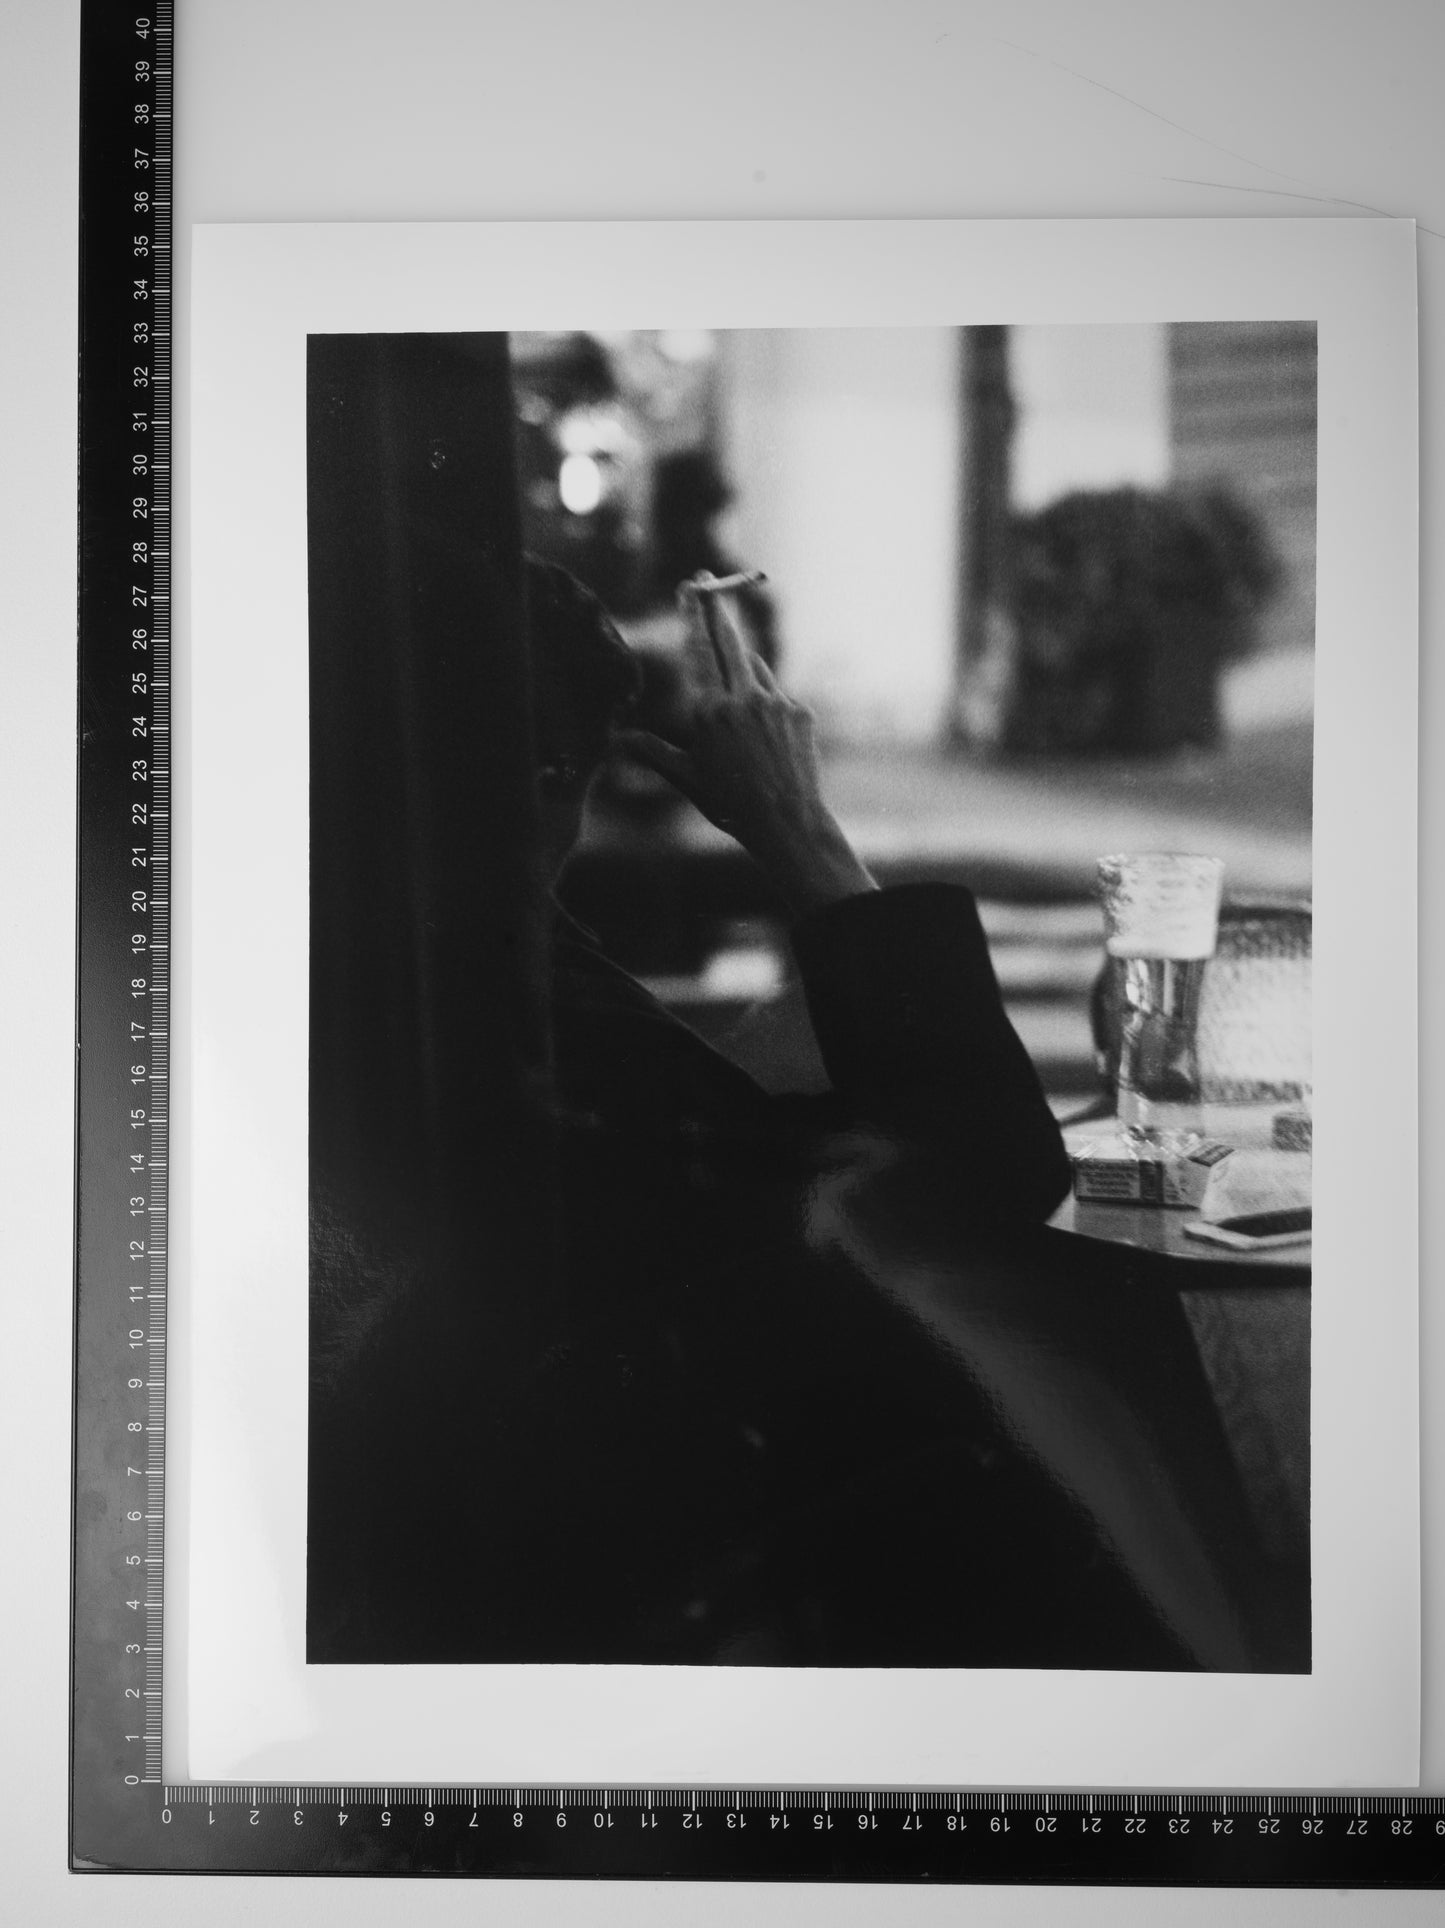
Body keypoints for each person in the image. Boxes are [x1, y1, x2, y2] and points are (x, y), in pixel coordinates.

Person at [526, 552, 1073, 1318]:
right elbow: (995, 1180)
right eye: (572, 773)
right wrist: (796, 826)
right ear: (549, 776)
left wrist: (724, 1071)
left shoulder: (444, 967)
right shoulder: (526, 989)